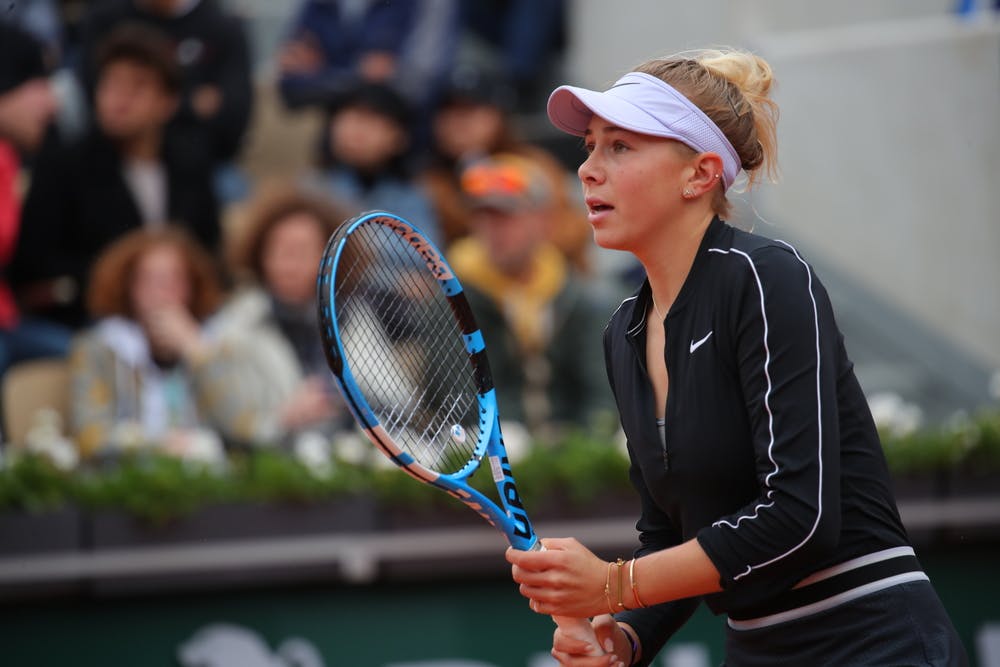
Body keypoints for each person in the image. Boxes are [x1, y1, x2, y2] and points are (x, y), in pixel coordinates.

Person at [505, 49, 968, 666]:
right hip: (754, 649)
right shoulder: (623, 331)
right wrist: (628, 635)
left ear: (698, 175)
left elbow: (800, 516)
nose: (588, 170)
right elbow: (672, 536)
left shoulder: (767, 277)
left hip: (873, 642)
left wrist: (614, 585)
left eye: (620, 147)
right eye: (590, 147)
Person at [9, 23, 219, 330]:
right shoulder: (64, 165)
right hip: (85, 320)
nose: (120, 98)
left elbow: (207, 251)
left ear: (168, 102)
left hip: (180, 322)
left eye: (137, 86)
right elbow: (36, 266)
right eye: (111, 84)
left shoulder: (189, 167)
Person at [69, 227, 289, 460]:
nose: (163, 292)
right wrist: (158, 447)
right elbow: (90, 437)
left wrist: (197, 351)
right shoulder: (98, 348)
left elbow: (242, 429)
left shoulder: (217, 345)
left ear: (192, 287)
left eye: (175, 280)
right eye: (150, 280)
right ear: (128, 287)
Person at [450, 153, 611, 437]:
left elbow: (602, 397)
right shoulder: (451, 299)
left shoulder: (580, 297)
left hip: (575, 453)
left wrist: (578, 449)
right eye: (482, 217)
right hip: (494, 455)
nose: (492, 230)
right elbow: (459, 403)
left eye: (506, 216)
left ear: (543, 221)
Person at [218, 183, 355, 450]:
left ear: (329, 259)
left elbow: (397, 405)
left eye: (302, 251)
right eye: (280, 250)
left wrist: (346, 402)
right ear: (261, 257)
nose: (290, 263)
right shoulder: (235, 324)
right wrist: (283, 419)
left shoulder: (354, 316)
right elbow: (224, 422)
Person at [421, 65, 591, 270]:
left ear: (498, 115)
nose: (459, 123)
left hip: (549, 286)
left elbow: (574, 228)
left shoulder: (534, 163)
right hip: (469, 291)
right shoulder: (428, 181)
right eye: (448, 112)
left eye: (470, 110)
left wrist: (522, 240)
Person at [78, 0, 254, 167]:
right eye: (116, 83)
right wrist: (191, 105)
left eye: (139, 85)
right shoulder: (104, 20)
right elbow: (91, 95)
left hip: (204, 164)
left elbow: (234, 117)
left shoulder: (222, 27)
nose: (124, 97)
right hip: (109, 163)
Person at [0, 22, 73, 376]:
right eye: (40, 84)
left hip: (10, 321)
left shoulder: (14, 160)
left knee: (88, 356)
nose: (52, 103)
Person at [310, 80, 440, 244]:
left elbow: (422, 255)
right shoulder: (310, 190)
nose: (357, 132)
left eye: (370, 122)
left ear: (400, 137)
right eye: (349, 119)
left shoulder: (412, 197)